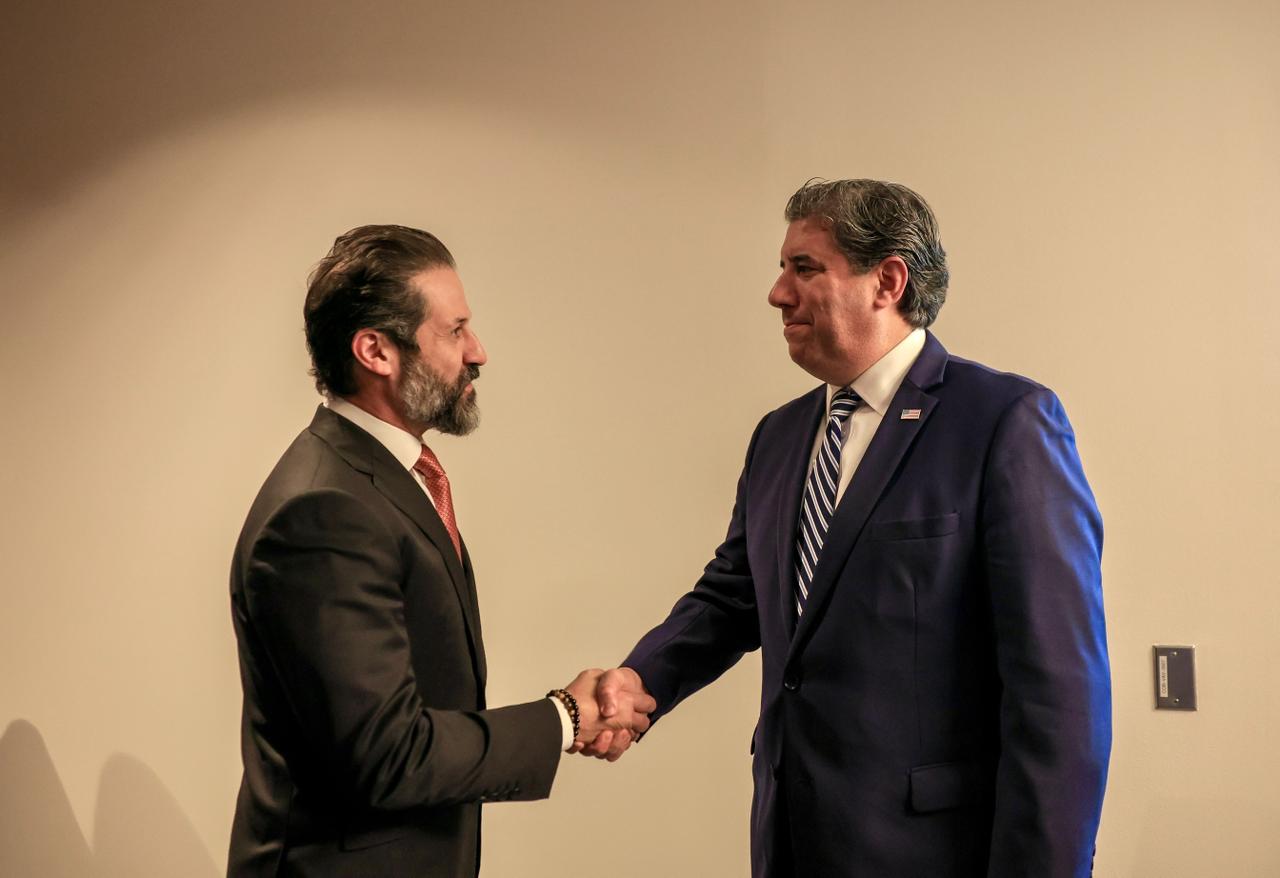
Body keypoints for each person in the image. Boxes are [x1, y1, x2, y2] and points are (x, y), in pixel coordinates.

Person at [586, 180, 1111, 877]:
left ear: (887, 281)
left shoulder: (1004, 421)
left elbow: (1060, 696)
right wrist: (639, 679)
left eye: (804, 268)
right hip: (790, 841)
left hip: (933, 854)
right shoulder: (778, 436)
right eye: (782, 269)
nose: (777, 293)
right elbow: (731, 597)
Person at [227, 224, 653, 878]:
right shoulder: (323, 512)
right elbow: (387, 754)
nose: (478, 352)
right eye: (454, 331)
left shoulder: (384, 478)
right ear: (376, 350)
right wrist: (565, 718)